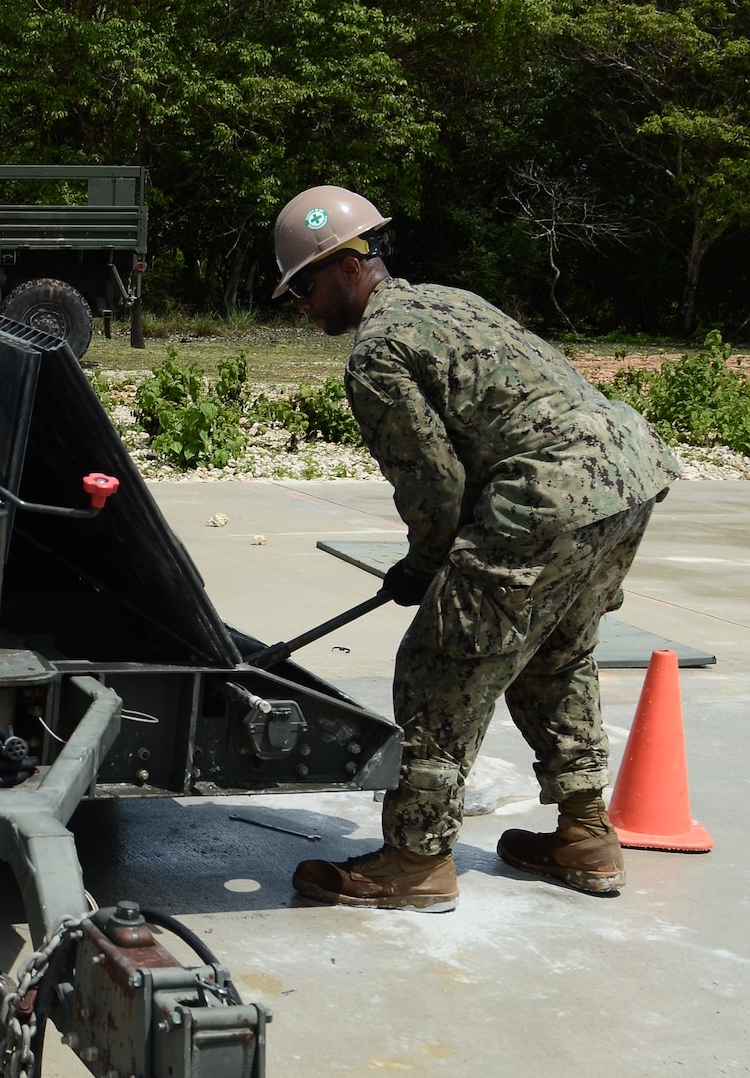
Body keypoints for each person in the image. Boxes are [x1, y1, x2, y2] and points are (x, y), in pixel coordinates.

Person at [275, 187, 678, 912]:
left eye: (305, 284)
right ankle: (586, 834)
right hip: (627, 473)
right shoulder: (445, 301)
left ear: (348, 266)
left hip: (548, 492)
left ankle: (416, 859)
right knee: (552, 652)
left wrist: (425, 566)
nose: (302, 304)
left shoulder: (377, 352)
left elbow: (435, 484)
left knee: (441, 660)